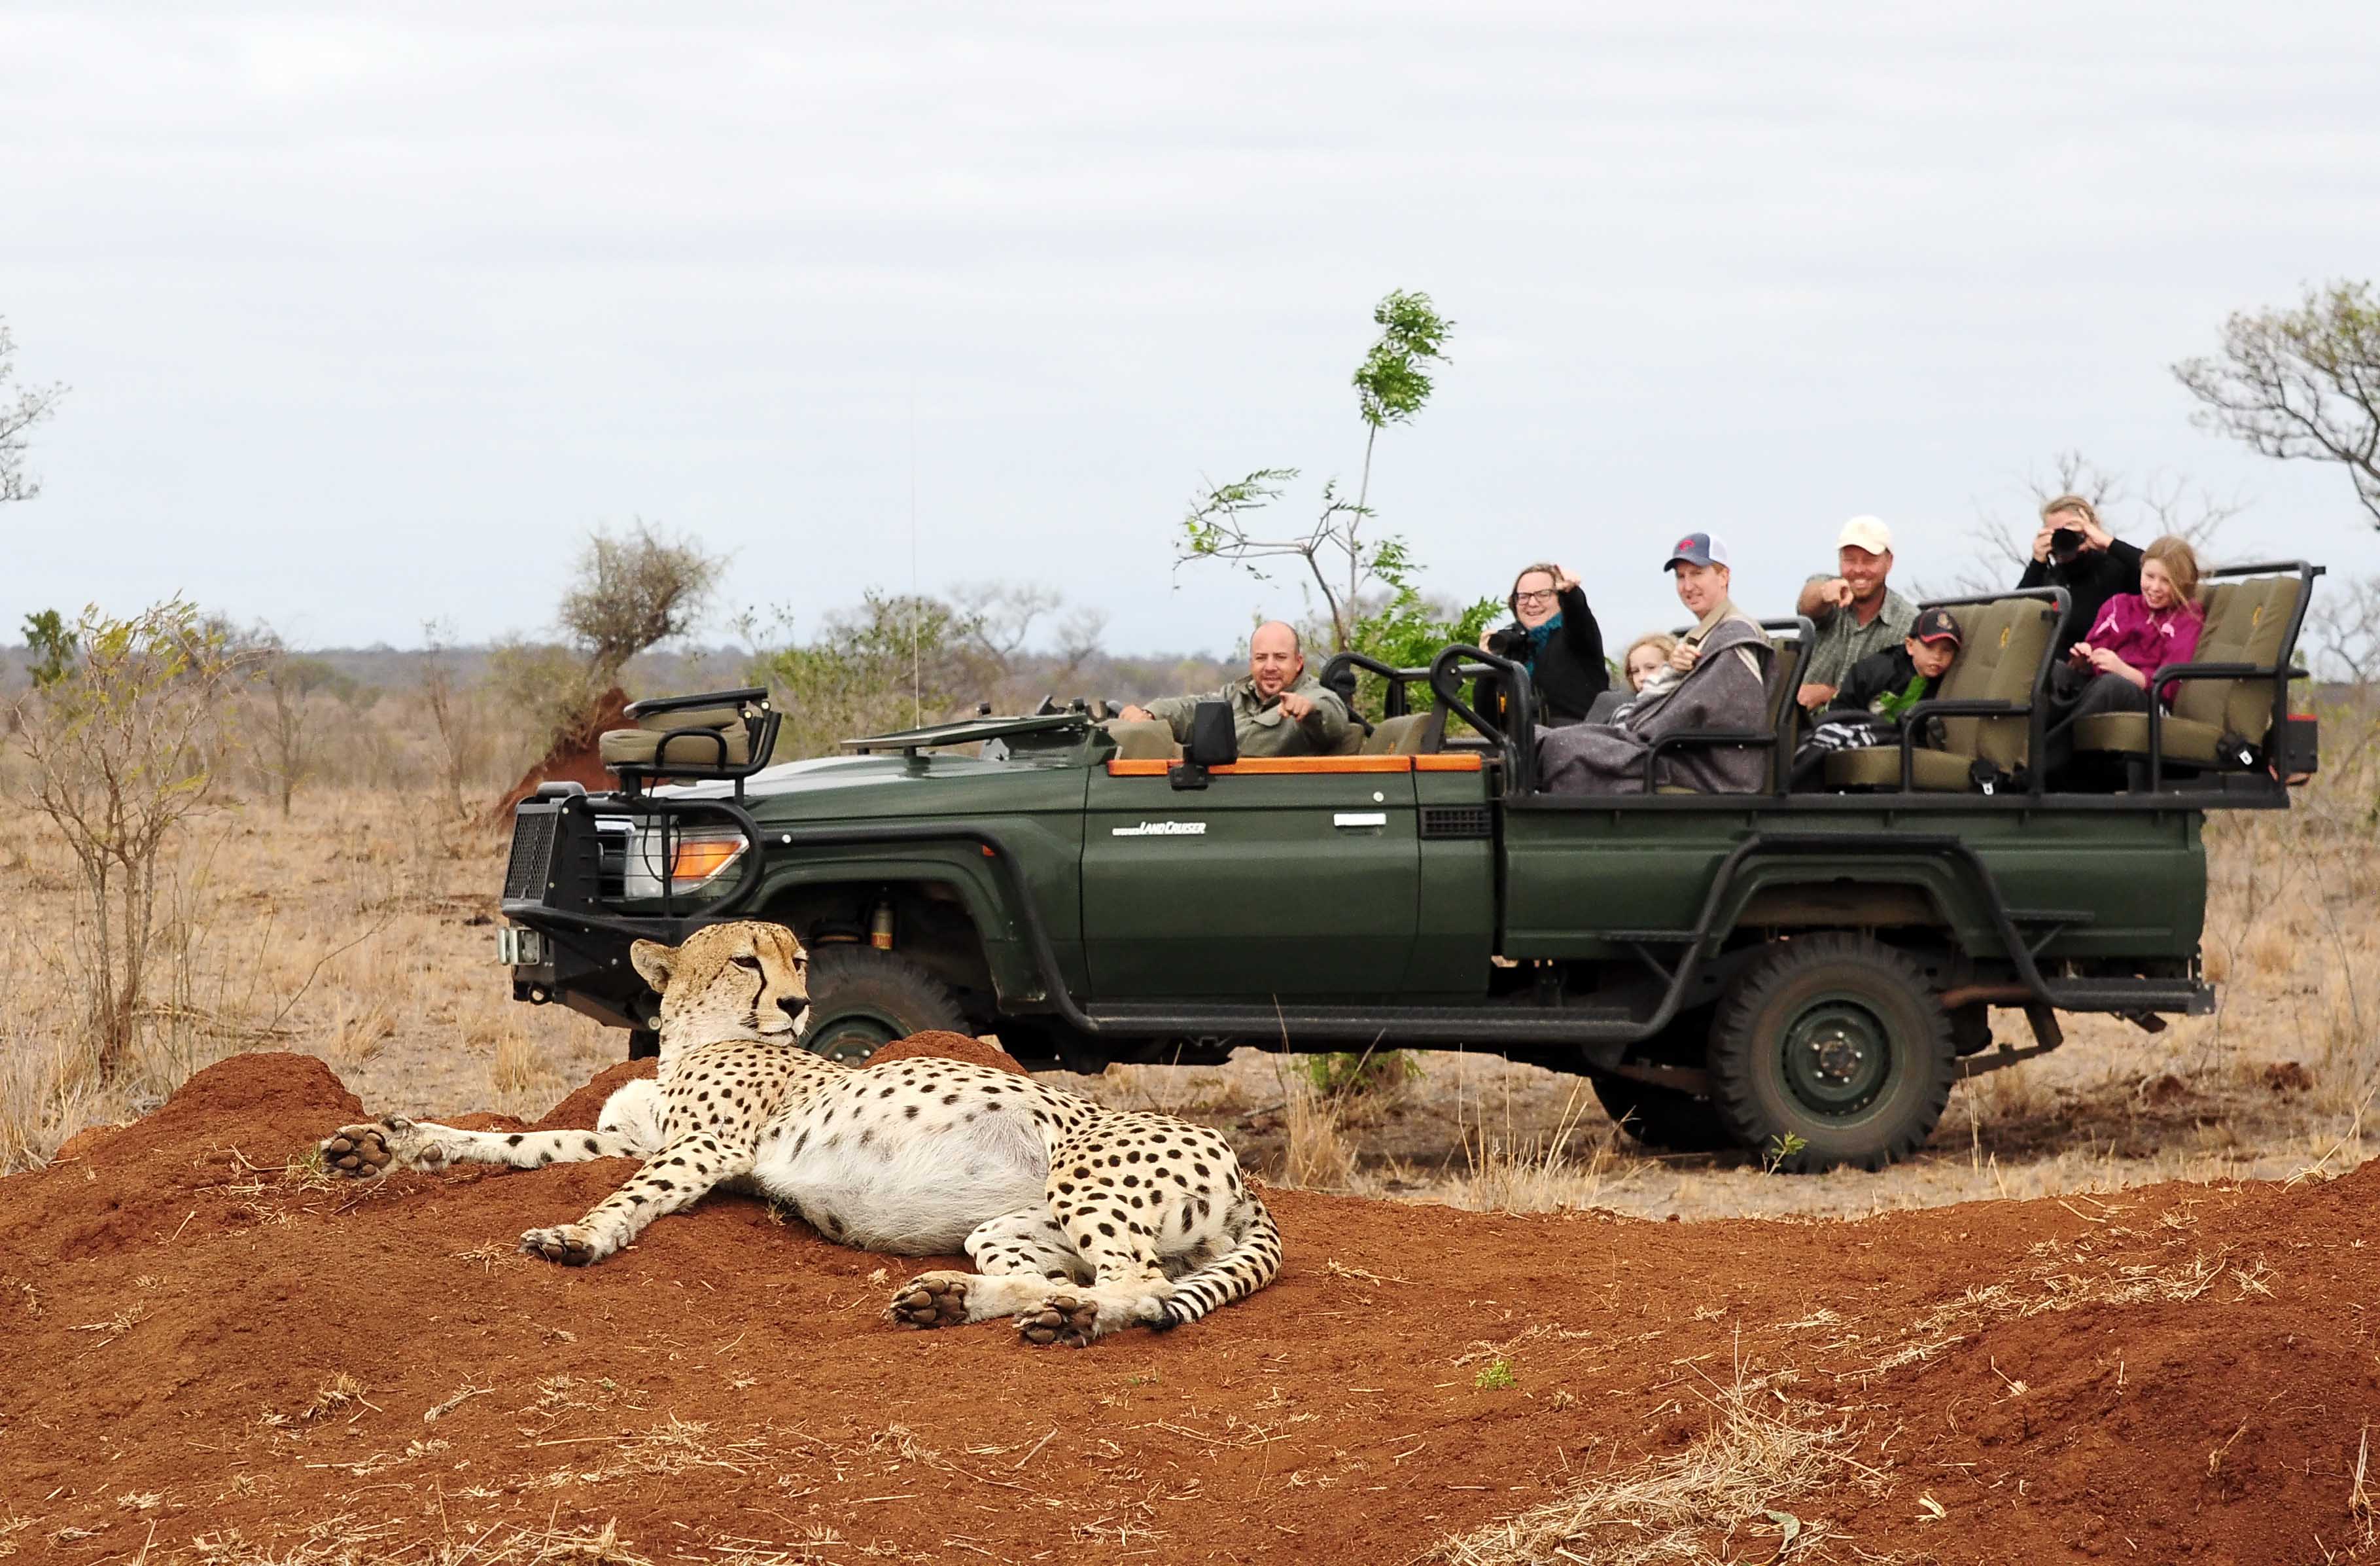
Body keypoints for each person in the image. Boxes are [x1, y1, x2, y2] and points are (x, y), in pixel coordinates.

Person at [1537, 535, 1774, 795]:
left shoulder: (1734, 636)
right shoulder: (1703, 636)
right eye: (1681, 577)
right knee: (1548, 738)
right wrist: (1674, 670)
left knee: (1563, 747)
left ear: (1723, 576)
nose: (1688, 585)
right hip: (1678, 749)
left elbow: (1710, 709)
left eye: (1697, 573)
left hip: (1706, 765)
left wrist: (1632, 729)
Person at [2041, 536, 2206, 772]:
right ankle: (2022, 745)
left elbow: (2171, 683)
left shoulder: (2187, 617)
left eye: (2166, 581)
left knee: (2111, 685)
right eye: (2150, 576)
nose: (2155, 587)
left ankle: (2041, 762)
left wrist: (2125, 672)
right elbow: (2094, 647)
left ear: (2183, 584)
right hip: (2099, 684)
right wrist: (2083, 659)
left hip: (2150, 699)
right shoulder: (2119, 605)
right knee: (2055, 671)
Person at [1117, 620, 1352, 758]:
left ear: (1298, 662)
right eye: (1261, 658)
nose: (1270, 667)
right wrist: (1152, 713)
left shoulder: (1312, 696)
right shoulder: (1237, 695)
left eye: (1280, 658)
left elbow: (1333, 716)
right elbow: (1193, 709)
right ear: (1252, 663)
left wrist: (1309, 710)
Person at [1790, 607, 1963, 789]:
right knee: (1826, 739)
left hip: (1897, 737)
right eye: (1929, 647)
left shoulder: (1941, 685)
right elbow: (1844, 709)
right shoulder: (1879, 670)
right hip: (1853, 720)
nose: (1937, 656)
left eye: (1947, 650)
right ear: (1910, 646)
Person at [1794, 515, 1917, 711]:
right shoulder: (1829, 592)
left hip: (1864, 730)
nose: (1858, 570)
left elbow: (1892, 701)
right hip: (1799, 721)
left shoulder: (1908, 623)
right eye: (1849, 560)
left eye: (1869, 561)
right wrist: (1825, 593)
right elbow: (1807, 604)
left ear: (1889, 562)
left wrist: (1829, 694)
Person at [1481, 562, 1607, 726]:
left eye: (1543, 594)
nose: (1532, 603)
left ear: (1560, 598)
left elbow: (1578, 616)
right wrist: (1488, 664)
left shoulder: (1577, 637)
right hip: (1522, 747)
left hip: (1577, 743)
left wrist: (1572, 593)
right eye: (1524, 597)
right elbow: (1488, 719)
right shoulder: (1513, 647)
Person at [2019, 494, 2143, 657]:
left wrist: (2106, 543)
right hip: (2054, 670)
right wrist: (2037, 563)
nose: (2063, 539)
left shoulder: (2116, 568)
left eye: (2069, 532)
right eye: (2055, 534)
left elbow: (2164, 575)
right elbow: (2015, 619)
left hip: (2107, 668)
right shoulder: (2050, 578)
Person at [1583, 632, 1679, 722]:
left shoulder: (1682, 703)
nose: (1642, 677)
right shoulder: (1620, 705)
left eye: (1651, 668)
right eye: (1635, 671)